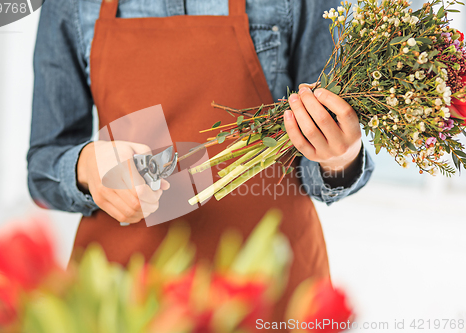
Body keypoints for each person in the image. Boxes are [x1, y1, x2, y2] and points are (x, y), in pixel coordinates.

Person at [28, 0, 374, 324]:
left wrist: (340, 157)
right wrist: (86, 166)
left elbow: (318, 167)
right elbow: (42, 168)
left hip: (267, 285)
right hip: (125, 301)